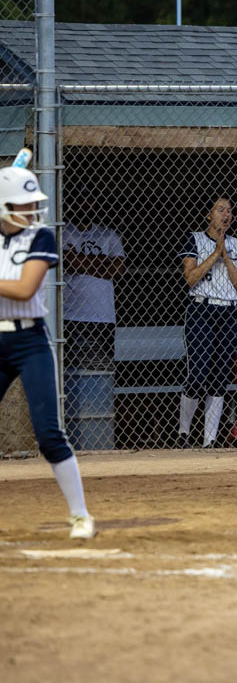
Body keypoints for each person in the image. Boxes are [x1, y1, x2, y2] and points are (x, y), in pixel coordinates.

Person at [0, 163, 95, 538]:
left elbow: (25, 290)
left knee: (48, 434)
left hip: (30, 342)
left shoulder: (40, 237)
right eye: (23, 204)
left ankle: (80, 515)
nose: (31, 210)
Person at [178, 196, 237, 448]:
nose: (225, 215)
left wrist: (226, 256)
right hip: (202, 309)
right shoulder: (195, 239)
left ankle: (210, 439)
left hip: (229, 312)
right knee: (198, 374)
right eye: (220, 210)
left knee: (220, 376)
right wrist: (215, 254)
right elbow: (191, 278)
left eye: (229, 211)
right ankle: (183, 433)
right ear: (209, 215)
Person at [62, 196, 125, 372]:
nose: (85, 205)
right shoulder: (62, 232)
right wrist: (103, 261)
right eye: (80, 200)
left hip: (103, 316)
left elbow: (117, 270)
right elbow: (69, 262)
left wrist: (79, 259)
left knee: (101, 370)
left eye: (90, 201)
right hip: (71, 314)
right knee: (71, 370)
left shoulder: (108, 234)